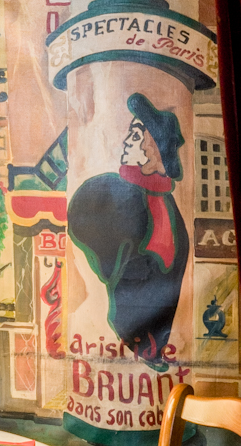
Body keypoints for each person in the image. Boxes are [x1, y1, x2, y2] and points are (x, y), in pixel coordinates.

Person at [68, 93, 188, 371]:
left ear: (154, 149)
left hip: (148, 327)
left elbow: (173, 264)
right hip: (126, 322)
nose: (127, 141)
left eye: (136, 136)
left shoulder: (162, 203)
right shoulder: (117, 190)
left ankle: (150, 347)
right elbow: (87, 227)